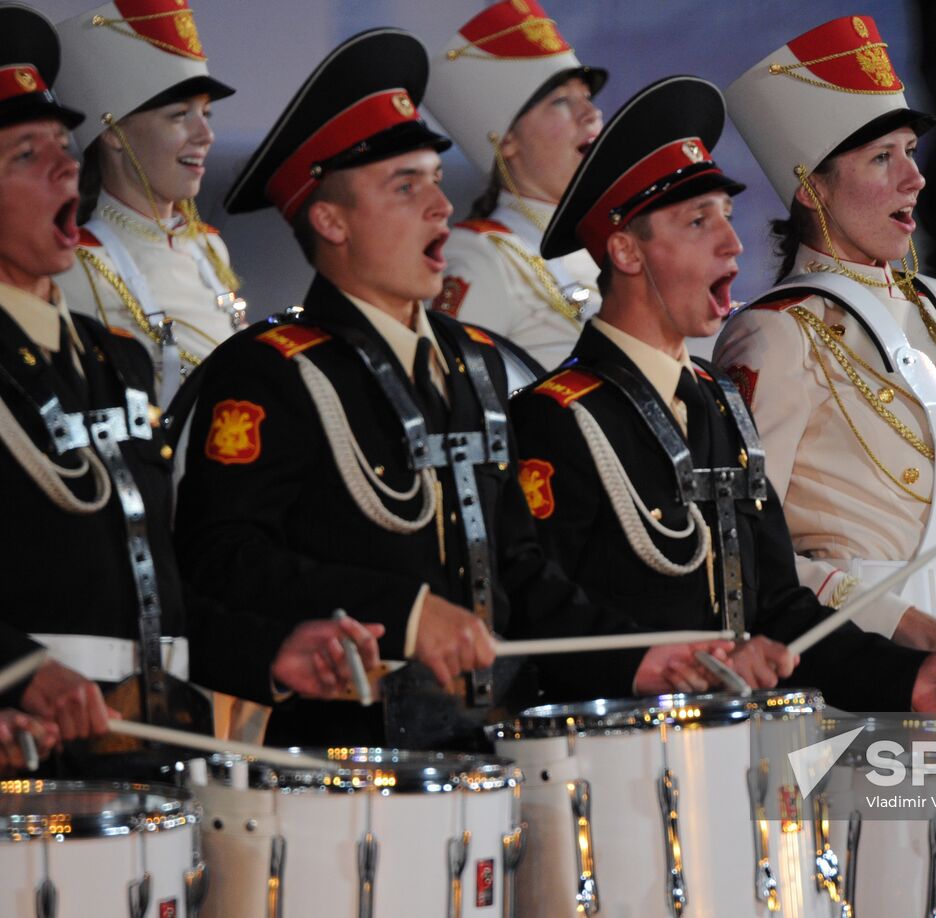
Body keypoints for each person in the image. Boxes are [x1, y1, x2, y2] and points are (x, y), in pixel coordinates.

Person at [175, 30, 741, 748]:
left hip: (487, 743)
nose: (441, 208)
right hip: (347, 756)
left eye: (437, 182)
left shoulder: (472, 362)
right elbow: (223, 561)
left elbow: (519, 570)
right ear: (331, 219)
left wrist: (640, 655)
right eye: (405, 187)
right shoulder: (271, 369)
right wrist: (406, 614)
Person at [511, 73, 936, 712]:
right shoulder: (556, 417)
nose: (734, 242)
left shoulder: (716, 403)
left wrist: (906, 676)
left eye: (725, 216)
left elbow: (778, 605)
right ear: (626, 252)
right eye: (698, 222)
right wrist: (664, 661)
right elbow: (533, 612)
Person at [0, 2, 381, 763]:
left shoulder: (115, 362)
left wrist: (270, 648)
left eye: (58, 144)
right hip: (34, 756)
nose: (64, 164)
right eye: (24, 154)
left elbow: (153, 582)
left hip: (155, 737)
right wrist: (18, 672)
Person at [715, 15, 936, 667]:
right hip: (869, 676)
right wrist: (896, 617)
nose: (913, 178)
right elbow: (744, 552)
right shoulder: (775, 333)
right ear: (811, 186)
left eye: (910, 152)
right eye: (882, 158)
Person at [51, 0, 244, 406]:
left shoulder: (208, 248)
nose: (205, 134)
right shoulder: (75, 265)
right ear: (115, 133)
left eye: (206, 114)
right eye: (179, 115)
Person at [423, 0, 604, 372]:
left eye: (586, 98)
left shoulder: (604, 242)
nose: (591, 113)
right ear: (507, 141)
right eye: (561, 101)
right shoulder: (479, 256)